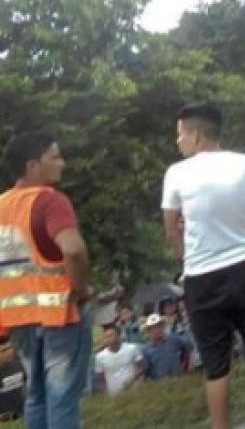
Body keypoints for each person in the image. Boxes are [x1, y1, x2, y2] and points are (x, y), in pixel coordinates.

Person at [161, 104, 245, 429]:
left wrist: (187, 255)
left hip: (201, 277)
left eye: (180, 134)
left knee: (215, 362)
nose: (178, 141)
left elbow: (170, 228)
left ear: (195, 134)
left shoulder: (176, 174)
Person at [0, 132, 94, 429]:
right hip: (61, 313)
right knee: (62, 396)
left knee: (37, 395)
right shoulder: (50, 201)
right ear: (32, 166)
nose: (62, 163)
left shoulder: (1, 205)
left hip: (21, 316)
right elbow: (74, 249)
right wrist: (81, 289)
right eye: (54, 157)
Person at [94, 324, 144, 396]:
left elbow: (142, 367)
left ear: (118, 336)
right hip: (114, 396)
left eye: (111, 335)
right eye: (106, 337)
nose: (108, 339)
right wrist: (105, 395)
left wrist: (134, 380)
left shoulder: (132, 348)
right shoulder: (100, 357)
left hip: (134, 392)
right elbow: (101, 379)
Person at [139, 314, 190, 380]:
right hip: (160, 384)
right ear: (149, 331)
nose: (157, 330)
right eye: (153, 328)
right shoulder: (145, 350)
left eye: (159, 326)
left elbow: (187, 350)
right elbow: (146, 371)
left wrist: (186, 367)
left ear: (163, 327)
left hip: (178, 379)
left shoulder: (174, 340)